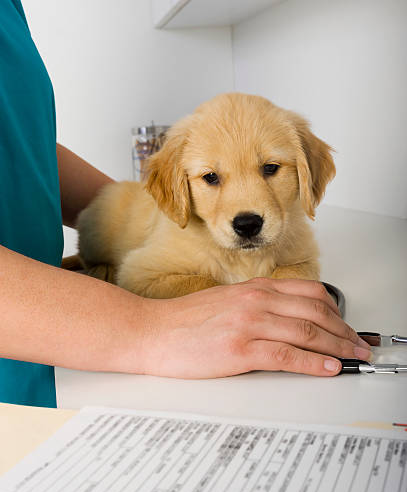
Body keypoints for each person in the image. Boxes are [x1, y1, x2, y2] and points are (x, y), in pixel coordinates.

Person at [0, 0, 372, 409]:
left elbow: (22, 142)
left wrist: (139, 215)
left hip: (67, 333)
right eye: (211, 178)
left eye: (270, 168)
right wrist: (147, 327)